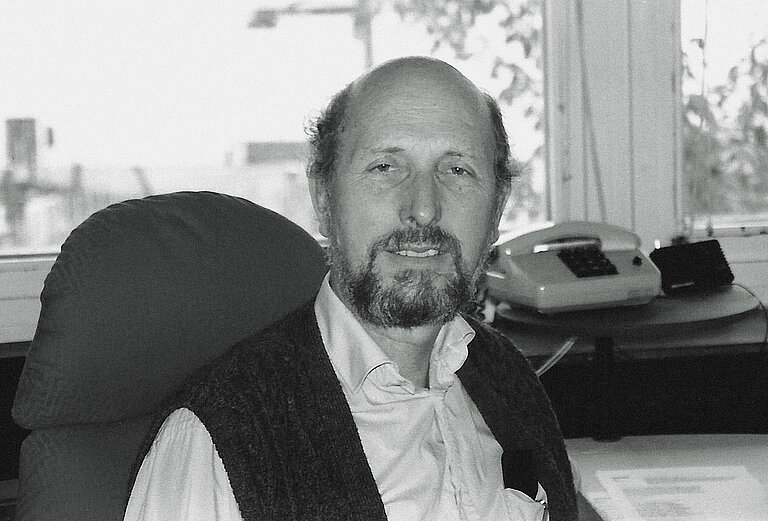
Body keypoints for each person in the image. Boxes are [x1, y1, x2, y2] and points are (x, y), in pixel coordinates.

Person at [124, 56, 578, 521]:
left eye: (457, 170)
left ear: (497, 208)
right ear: (324, 199)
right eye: (385, 167)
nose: (424, 209)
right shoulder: (214, 442)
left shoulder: (510, 381)